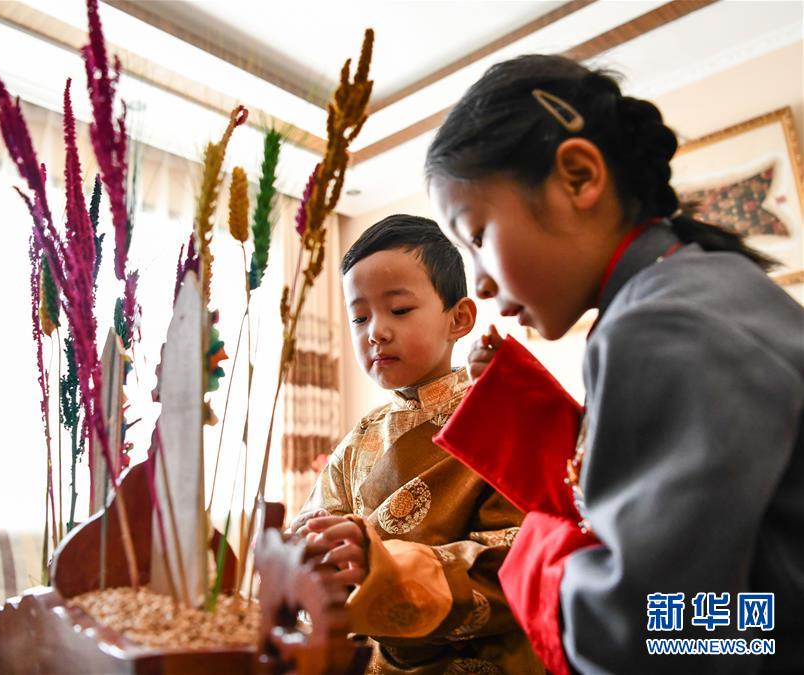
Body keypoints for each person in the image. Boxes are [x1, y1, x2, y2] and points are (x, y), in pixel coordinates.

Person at [424, 54, 804, 674]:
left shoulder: (661, 324)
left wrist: (538, 561)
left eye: (478, 236)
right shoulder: (696, 285)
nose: (481, 283)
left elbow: (664, 630)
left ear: (579, 178)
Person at [291, 214, 543, 674]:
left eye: (400, 310)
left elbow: (520, 558)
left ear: (458, 319)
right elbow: (316, 526)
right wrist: (311, 554)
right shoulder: (360, 438)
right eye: (359, 317)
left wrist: (384, 570)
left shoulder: (499, 419)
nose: (376, 331)